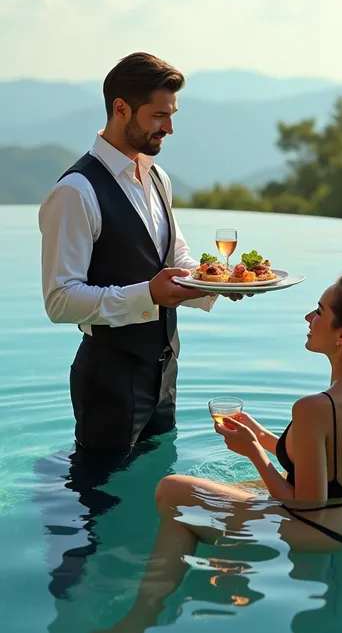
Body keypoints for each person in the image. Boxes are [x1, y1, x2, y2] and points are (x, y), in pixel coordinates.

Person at [96, 274, 342, 631]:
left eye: (318, 312)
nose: (308, 320)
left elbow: (306, 504)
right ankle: (227, 570)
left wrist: (254, 452)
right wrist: (262, 435)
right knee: (247, 487)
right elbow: (337, 460)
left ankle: (145, 614)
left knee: (173, 491)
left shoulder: (315, 407)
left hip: (322, 531)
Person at [38, 52, 246, 454]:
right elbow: (59, 301)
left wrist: (217, 281)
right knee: (101, 502)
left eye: (172, 115)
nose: (169, 127)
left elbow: (177, 259)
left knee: (158, 488)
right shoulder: (75, 193)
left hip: (165, 371)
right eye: (158, 116)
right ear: (121, 109)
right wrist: (148, 295)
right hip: (108, 379)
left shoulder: (156, 176)